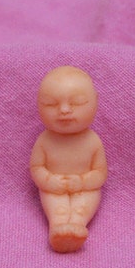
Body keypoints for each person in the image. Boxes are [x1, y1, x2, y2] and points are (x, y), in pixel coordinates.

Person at [30, 66, 107, 253]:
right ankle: (57, 225)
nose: (64, 110)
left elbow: (100, 173)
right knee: (56, 204)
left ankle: (78, 223)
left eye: (77, 102)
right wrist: (49, 181)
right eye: (50, 104)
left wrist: (82, 182)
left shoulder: (92, 140)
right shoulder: (44, 140)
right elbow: (36, 167)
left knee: (85, 201)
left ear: (95, 102)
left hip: (84, 187)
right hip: (54, 187)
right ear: (38, 105)